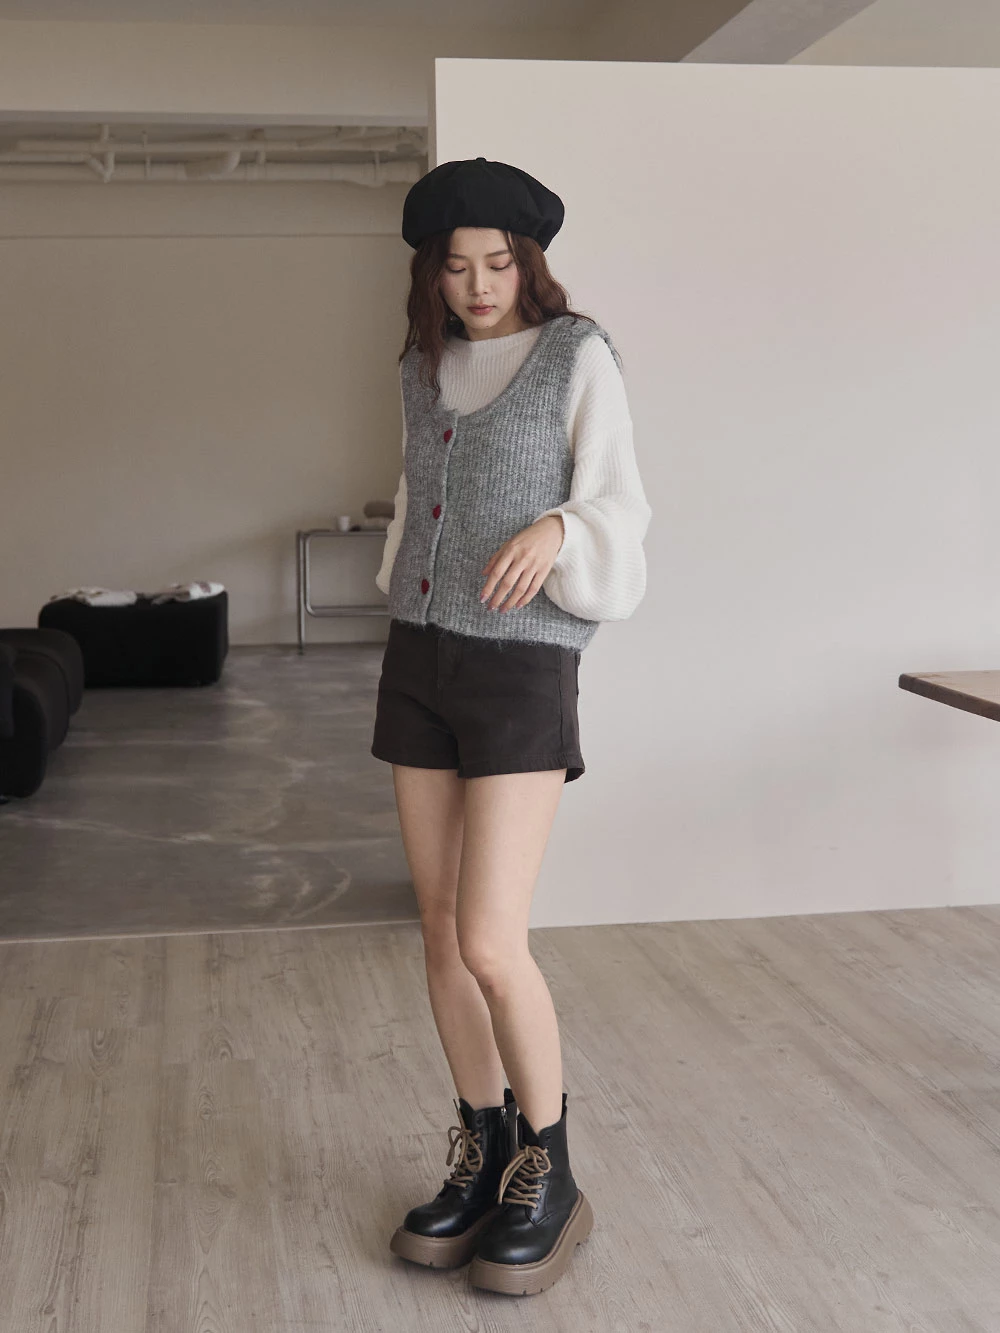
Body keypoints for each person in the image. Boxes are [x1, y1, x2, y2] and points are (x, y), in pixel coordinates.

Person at [371, 156, 651, 1296]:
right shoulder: (420, 363)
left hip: (523, 665)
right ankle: (482, 1147)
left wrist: (559, 528)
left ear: (527, 262)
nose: (479, 286)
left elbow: (620, 500)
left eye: (497, 263)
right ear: (431, 274)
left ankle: (550, 1167)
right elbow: (413, 496)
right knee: (440, 935)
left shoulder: (578, 353)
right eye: (457, 266)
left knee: (492, 939)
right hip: (417, 656)